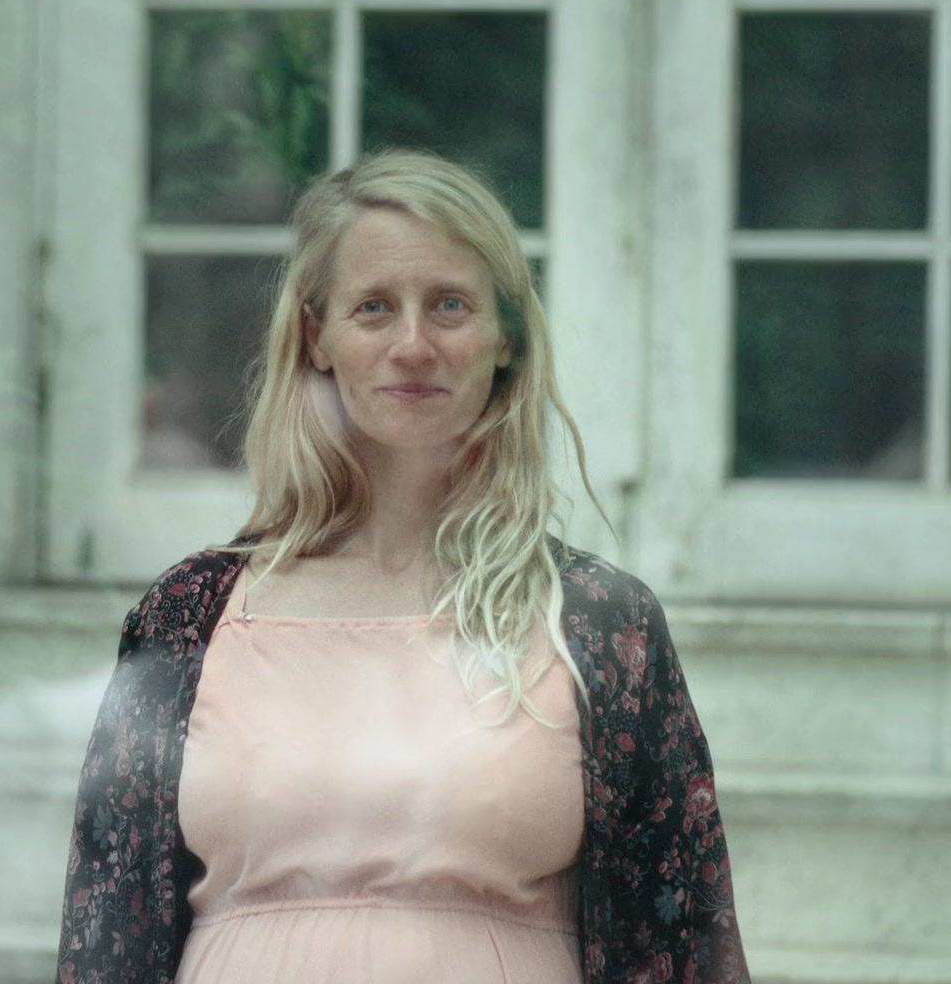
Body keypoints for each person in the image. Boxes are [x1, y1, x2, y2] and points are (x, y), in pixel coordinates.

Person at [54, 149, 751, 984]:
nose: (413, 345)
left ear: (505, 340)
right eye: (375, 307)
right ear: (318, 337)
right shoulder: (190, 614)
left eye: (449, 305)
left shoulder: (600, 623)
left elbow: (679, 949)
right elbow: (107, 941)